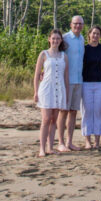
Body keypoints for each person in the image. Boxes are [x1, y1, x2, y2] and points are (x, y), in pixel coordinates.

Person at [33, 29, 69, 157]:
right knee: (46, 119)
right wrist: (36, 91)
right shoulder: (43, 54)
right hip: (46, 89)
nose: (55, 41)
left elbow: (66, 77)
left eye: (58, 39)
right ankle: (41, 148)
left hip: (59, 89)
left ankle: (50, 147)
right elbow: (37, 75)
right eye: (53, 38)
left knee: (54, 119)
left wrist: (67, 94)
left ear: (61, 41)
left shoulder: (64, 56)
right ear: (49, 39)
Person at [58, 15, 85, 151]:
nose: (78, 26)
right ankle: (60, 142)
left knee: (73, 111)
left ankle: (69, 141)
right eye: (75, 23)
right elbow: (55, 56)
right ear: (71, 24)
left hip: (78, 80)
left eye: (80, 24)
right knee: (63, 111)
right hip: (66, 81)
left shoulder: (82, 39)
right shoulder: (64, 38)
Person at [81, 25, 101, 150]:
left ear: (100, 35)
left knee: (98, 111)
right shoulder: (84, 48)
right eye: (93, 33)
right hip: (86, 83)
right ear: (89, 35)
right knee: (87, 112)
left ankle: (97, 140)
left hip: (100, 84)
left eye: (98, 33)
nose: (95, 35)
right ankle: (87, 140)